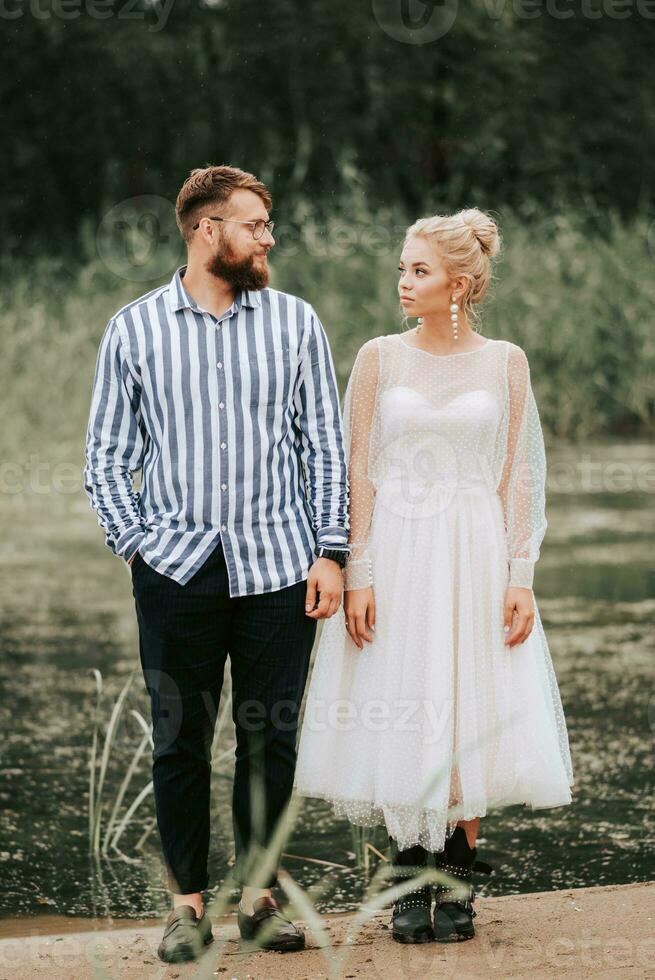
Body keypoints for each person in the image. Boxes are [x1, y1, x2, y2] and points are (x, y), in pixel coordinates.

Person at [83, 165, 350, 963]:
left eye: (267, 225)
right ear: (207, 231)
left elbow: (323, 447)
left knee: (270, 740)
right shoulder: (134, 329)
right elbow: (105, 458)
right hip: (174, 570)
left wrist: (330, 551)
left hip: (278, 567)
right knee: (179, 740)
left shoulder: (296, 323)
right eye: (254, 224)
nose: (267, 238)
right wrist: (138, 546)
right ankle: (187, 907)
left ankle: (261, 900)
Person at [294, 208, 574, 944]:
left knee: (468, 699)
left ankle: (454, 875)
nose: (402, 282)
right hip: (398, 548)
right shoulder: (378, 358)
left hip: (475, 550)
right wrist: (359, 570)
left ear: (460, 282)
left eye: (417, 270)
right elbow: (356, 471)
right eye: (400, 268)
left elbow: (519, 474)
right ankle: (407, 876)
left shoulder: (504, 361)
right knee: (402, 695)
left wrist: (520, 573)